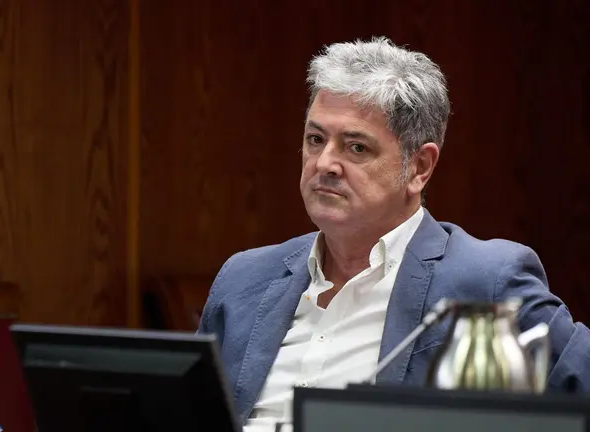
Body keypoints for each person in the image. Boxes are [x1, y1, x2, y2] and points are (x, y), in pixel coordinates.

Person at [196, 37, 590, 431]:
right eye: (315, 139)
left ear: (419, 167)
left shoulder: (486, 280)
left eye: (356, 148)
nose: (325, 163)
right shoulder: (244, 279)